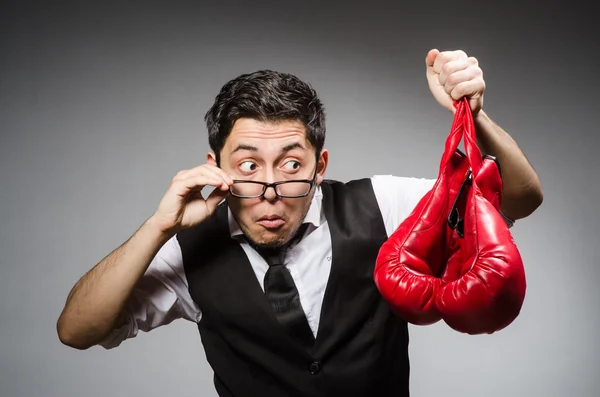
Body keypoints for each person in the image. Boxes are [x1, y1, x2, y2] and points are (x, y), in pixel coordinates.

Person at [56, 48, 543, 397]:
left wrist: (474, 116)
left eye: (291, 165)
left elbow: (519, 199)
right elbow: (76, 331)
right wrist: (159, 226)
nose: (270, 191)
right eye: (248, 166)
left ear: (320, 165)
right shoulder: (188, 248)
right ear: (215, 165)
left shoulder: (384, 203)